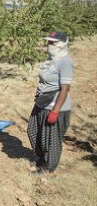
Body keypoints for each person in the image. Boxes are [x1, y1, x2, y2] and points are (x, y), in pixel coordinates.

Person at [27, 31, 74, 173]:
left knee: (51, 139)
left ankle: (49, 167)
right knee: (33, 131)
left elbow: (65, 89)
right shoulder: (51, 60)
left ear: (61, 44)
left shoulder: (65, 62)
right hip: (42, 102)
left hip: (55, 105)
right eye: (48, 41)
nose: (49, 44)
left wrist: (55, 111)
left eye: (52, 42)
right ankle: (42, 158)